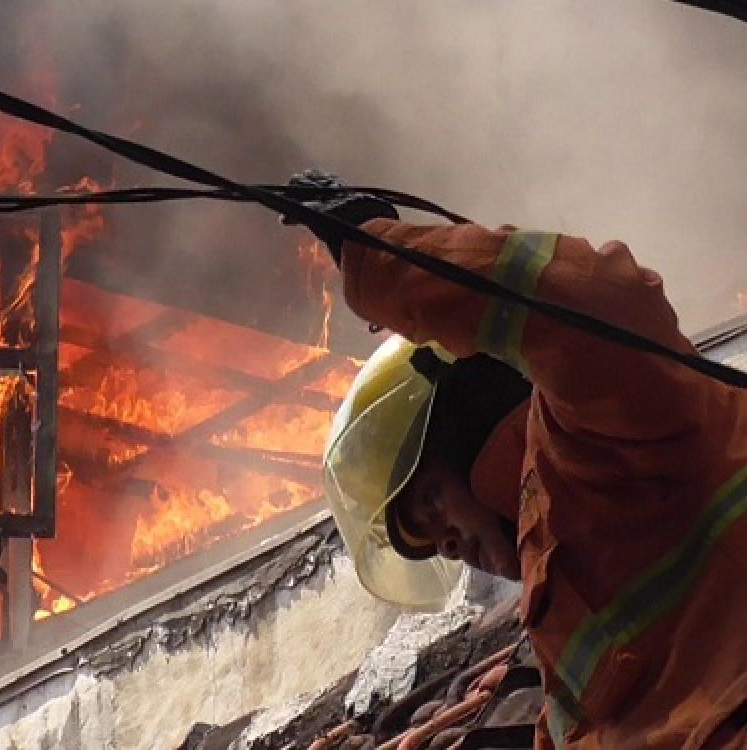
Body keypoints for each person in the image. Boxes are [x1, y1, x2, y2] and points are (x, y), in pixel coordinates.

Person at [314, 198, 746, 748]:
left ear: (466, 419)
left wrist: (385, 260)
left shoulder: (604, 434)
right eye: (423, 540)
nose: (443, 544)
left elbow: (596, 301)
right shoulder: (557, 605)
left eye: (427, 502)